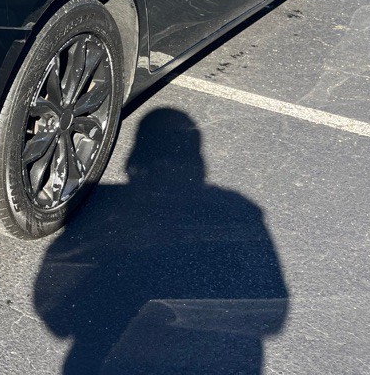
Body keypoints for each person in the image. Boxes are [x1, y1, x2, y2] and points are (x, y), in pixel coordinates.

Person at [35, 108, 287, 374]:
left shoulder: (104, 207)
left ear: (135, 160)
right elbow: (270, 312)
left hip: (108, 357)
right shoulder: (238, 210)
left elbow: (56, 313)